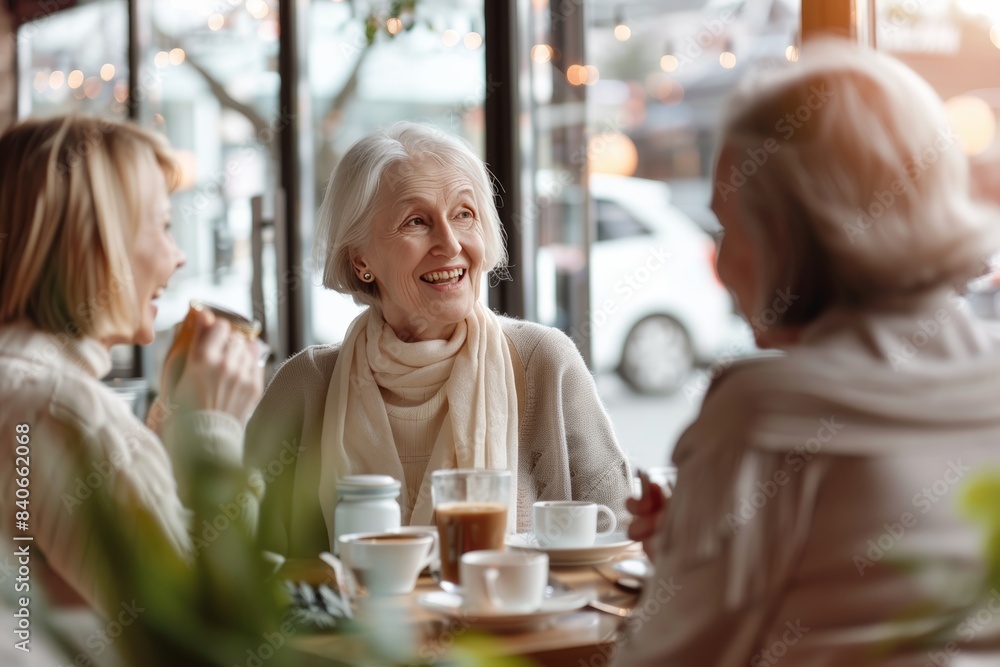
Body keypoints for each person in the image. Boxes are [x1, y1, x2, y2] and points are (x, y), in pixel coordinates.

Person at [618, 39, 1000, 666]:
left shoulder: (761, 415)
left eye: (729, 227)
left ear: (791, 232)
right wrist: (691, 550)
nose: (720, 262)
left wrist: (687, 567)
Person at [246, 121, 632, 557]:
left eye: (464, 214)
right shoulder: (306, 385)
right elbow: (235, 561)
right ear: (360, 260)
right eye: (416, 221)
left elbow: (621, 535)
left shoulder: (544, 362)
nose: (450, 244)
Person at [0, 116, 265, 614]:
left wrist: (169, 420)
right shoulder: (61, 409)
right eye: (163, 226)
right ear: (98, 242)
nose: (178, 255)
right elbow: (199, 626)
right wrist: (215, 430)